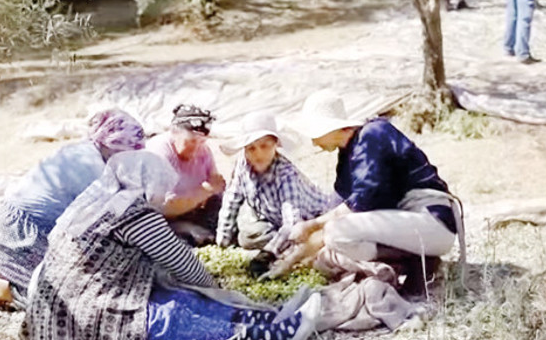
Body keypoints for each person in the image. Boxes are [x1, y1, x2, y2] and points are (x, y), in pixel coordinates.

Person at [23, 150, 321, 340]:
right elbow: (185, 264)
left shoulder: (92, 203)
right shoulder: (131, 212)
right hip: (82, 330)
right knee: (175, 312)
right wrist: (218, 293)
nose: (164, 195)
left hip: (49, 326)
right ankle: (270, 334)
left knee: (174, 297)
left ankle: (267, 316)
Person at [291, 90, 465, 296]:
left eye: (315, 134)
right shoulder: (350, 152)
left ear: (329, 127)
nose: (313, 142)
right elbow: (339, 203)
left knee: (336, 233)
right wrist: (298, 252)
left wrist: (312, 225)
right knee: (330, 246)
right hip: (409, 225)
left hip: (431, 221)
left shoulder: (371, 136)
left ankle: (417, 261)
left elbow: (365, 200)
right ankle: (407, 263)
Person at [0, 109, 146, 308]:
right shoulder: (92, 168)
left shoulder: (80, 151)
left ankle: (0, 279)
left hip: (2, 230)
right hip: (13, 237)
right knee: (74, 303)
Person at [216, 111, 335, 276]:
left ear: (275, 146)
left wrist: (268, 254)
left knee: (302, 247)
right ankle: (280, 248)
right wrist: (222, 241)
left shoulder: (286, 176)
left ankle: (285, 252)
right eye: (251, 148)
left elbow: (292, 223)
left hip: (310, 222)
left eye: (264, 146)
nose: (258, 154)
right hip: (274, 220)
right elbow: (232, 199)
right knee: (247, 236)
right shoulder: (243, 165)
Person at [146, 104, 226, 246]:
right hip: (158, 218)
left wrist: (211, 191)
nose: (196, 148)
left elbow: (217, 185)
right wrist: (204, 192)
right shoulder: (159, 153)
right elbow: (162, 207)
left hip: (190, 208)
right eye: (191, 141)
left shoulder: (203, 150)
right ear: (174, 133)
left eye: (201, 141)